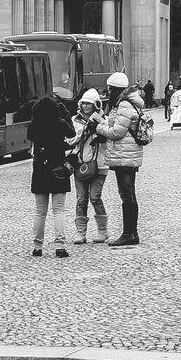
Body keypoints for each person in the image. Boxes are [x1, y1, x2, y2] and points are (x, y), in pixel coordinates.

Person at [94, 72, 148, 246]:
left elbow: (117, 131)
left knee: (127, 194)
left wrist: (99, 127)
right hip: (126, 153)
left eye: (109, 88)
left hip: (125, 154)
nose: (108, 91)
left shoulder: (124, 104)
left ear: (115, 89)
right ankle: (130, 232)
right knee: (127, 193)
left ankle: (130, 233)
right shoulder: (128, 102)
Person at [27, 95, 77, 257]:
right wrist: (65, 114)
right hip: (58, 168)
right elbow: (72, 134)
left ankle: (37, 246)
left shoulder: (34, 126)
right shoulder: (60, 123)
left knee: (40, 211)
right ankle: (60, 246)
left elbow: (31, 137)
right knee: (59, 210)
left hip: (40, 168)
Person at [71, 88, 109, 244]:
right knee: (81, 199)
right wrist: (84, 132)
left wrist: (99, 131)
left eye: (89, 104)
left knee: (95, 197)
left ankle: (103, 231)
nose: (85, 106)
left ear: (96, 105)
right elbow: (70, 140)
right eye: (83, 103)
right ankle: (81, 233)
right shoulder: (75, 120)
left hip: (100, 164)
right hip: (80, 164)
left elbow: (109, 139)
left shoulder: (104, 120)